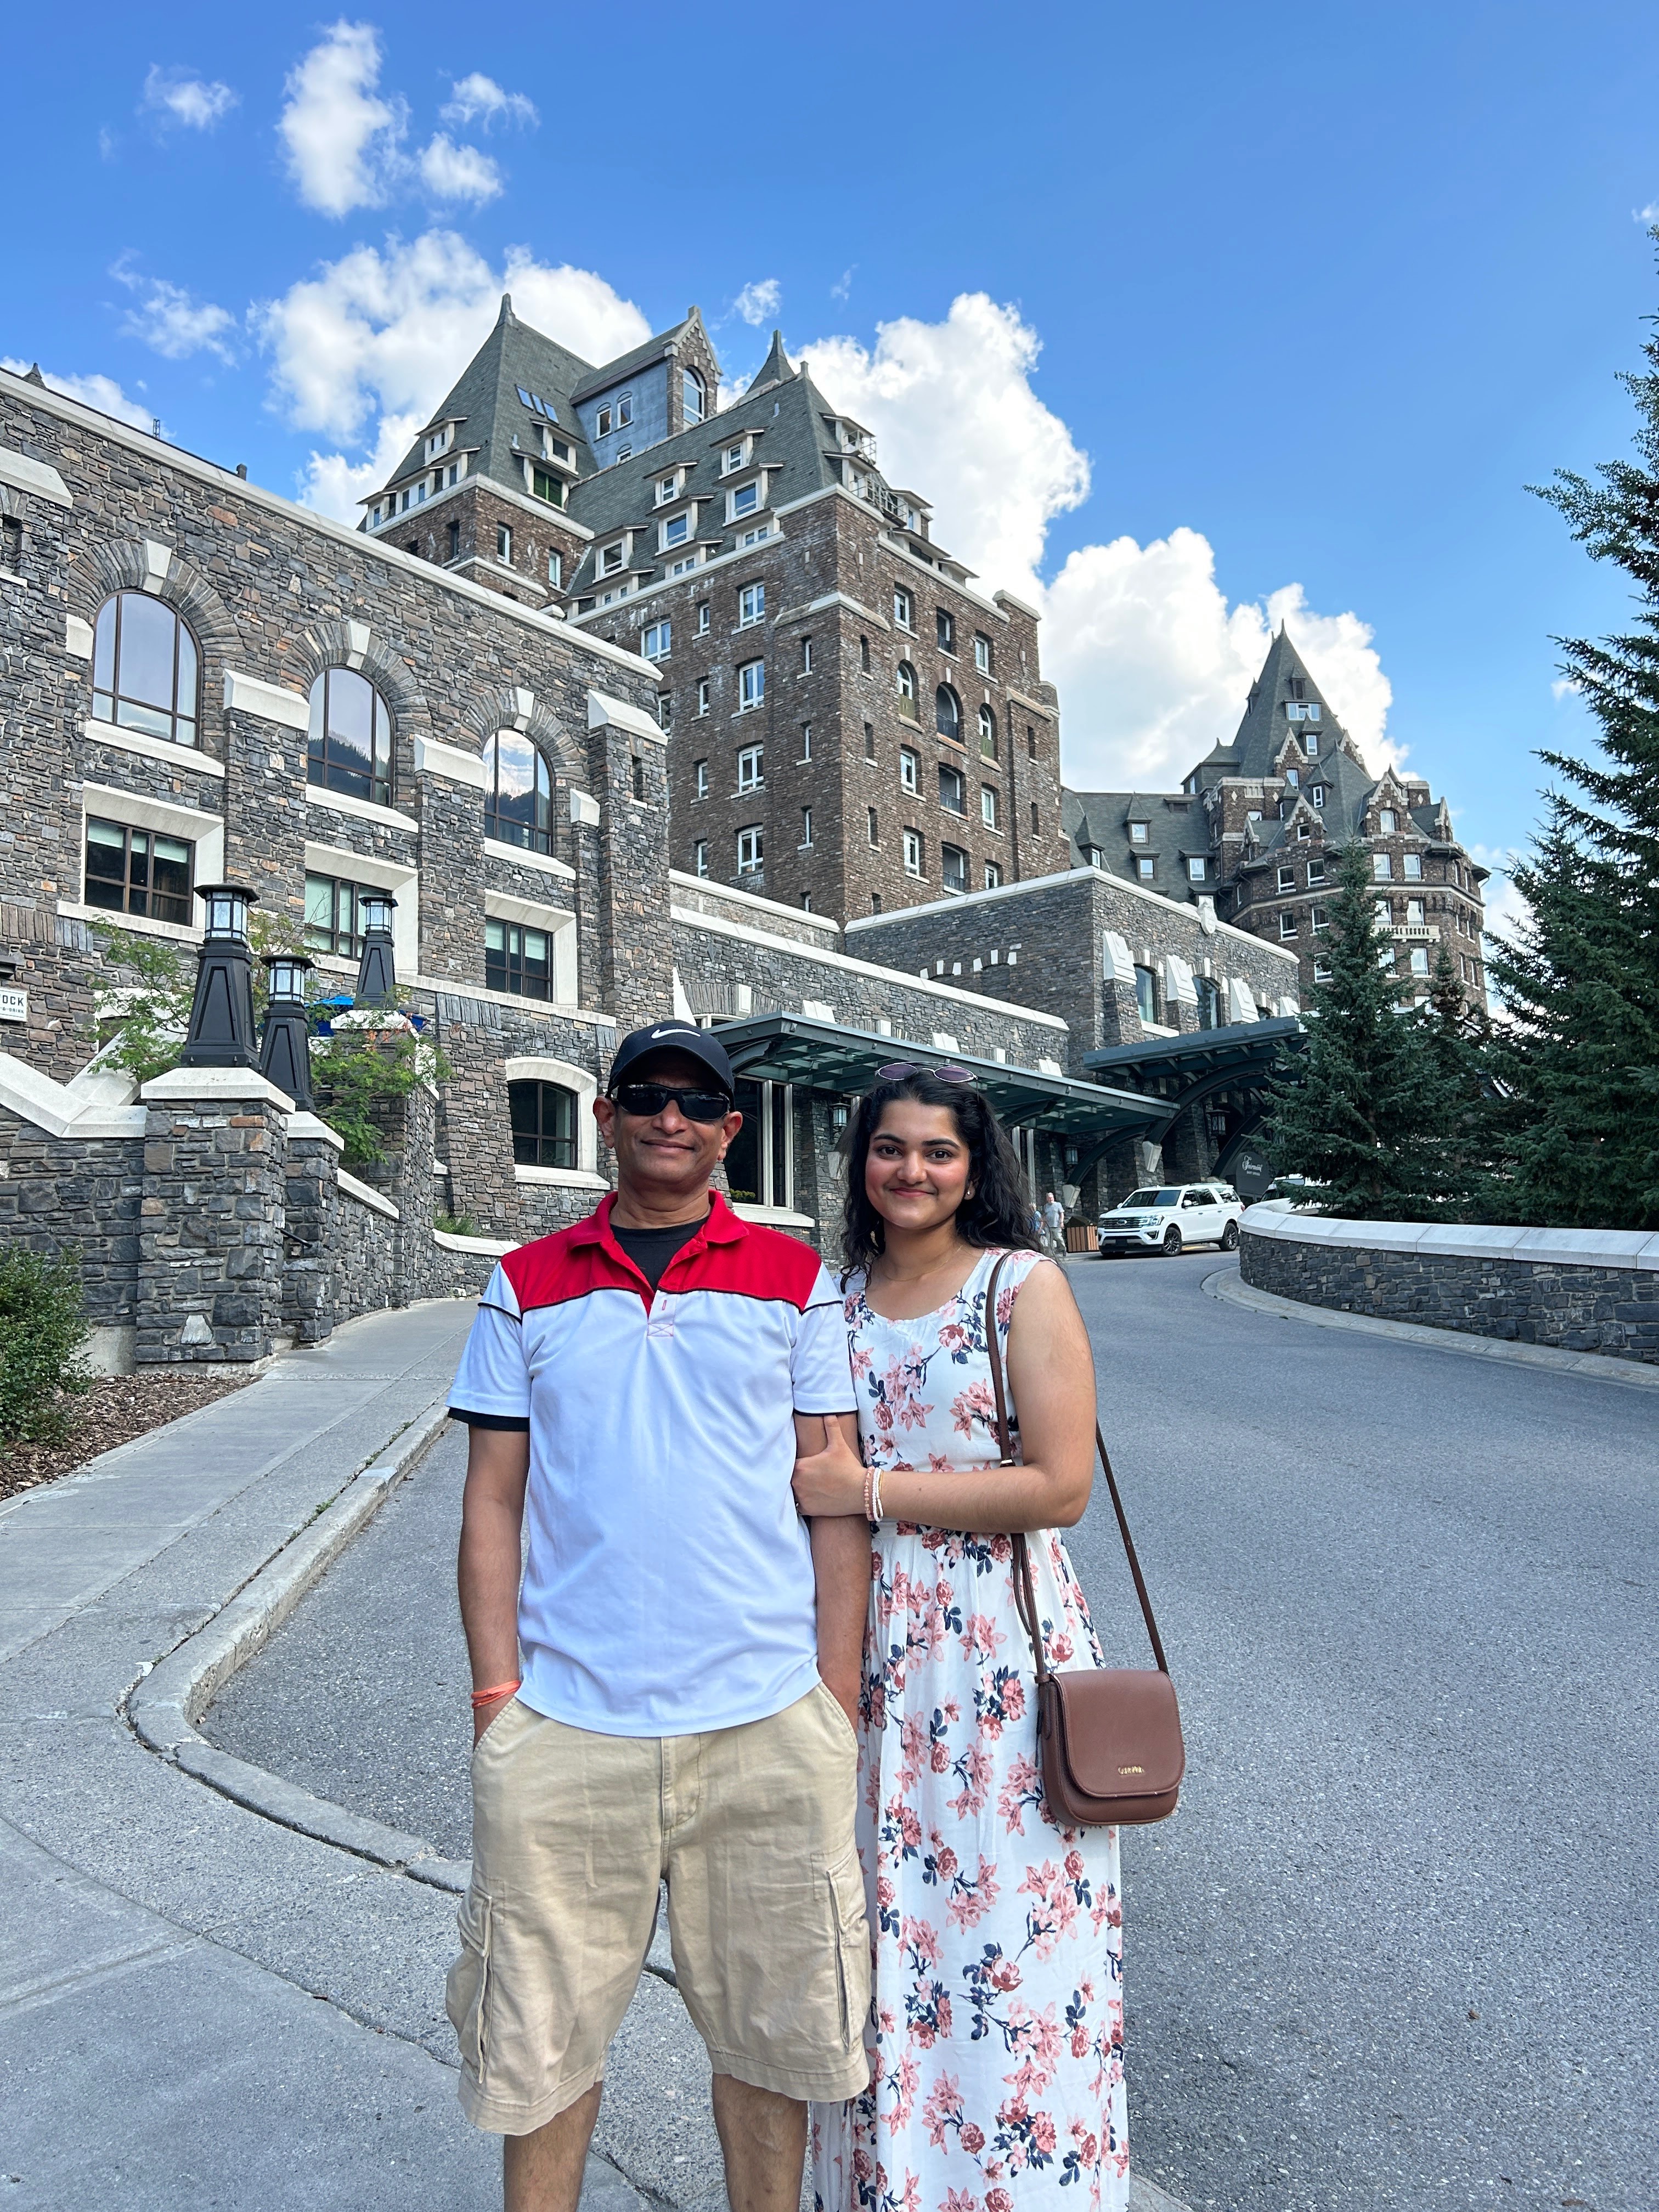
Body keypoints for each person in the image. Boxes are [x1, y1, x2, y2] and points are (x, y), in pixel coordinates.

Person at [445, 1021, 873, 2212]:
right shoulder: (524, 1283)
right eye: (644, 1094)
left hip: (765, 1725)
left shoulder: (796, 1282)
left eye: (695, 1101)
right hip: (566, 1726)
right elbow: (492, 1501)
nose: (668, 1117)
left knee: (772, 2046)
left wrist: (832, 1701)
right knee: (537, 2050)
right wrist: (496, 1695)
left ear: (731, 1128)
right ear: (608, 1116)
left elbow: (833, 1499)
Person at [794, 1063, 1129, 2212]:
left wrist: (870, 1489)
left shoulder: (1019, 1286)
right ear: (861, 1163)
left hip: (996, 1650)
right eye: (889, 1148)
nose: (912, 1171)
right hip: (864, 1643)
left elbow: (1060, 1485)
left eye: (938, 1151)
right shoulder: (832, 1301)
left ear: (975, 1165)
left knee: (1009, 1938)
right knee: (880, 1931)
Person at [1041, 1189, 1067, 1255]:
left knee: (1058, 1237)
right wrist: (1042, 1225)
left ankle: (1063, 1249)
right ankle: (1053, 1252)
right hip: (1048, 1226)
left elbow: (1061, 1213)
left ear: (1053, 1198)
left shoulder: (1058, 1205)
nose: (1051, 1199)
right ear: (1047, 1199)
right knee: (1049, 1240)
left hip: (1056, 1225)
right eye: (1049, 1198)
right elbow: (1044, 1215)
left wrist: (1062, 1222)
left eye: (1051, 1198)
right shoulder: (1046, 1206)